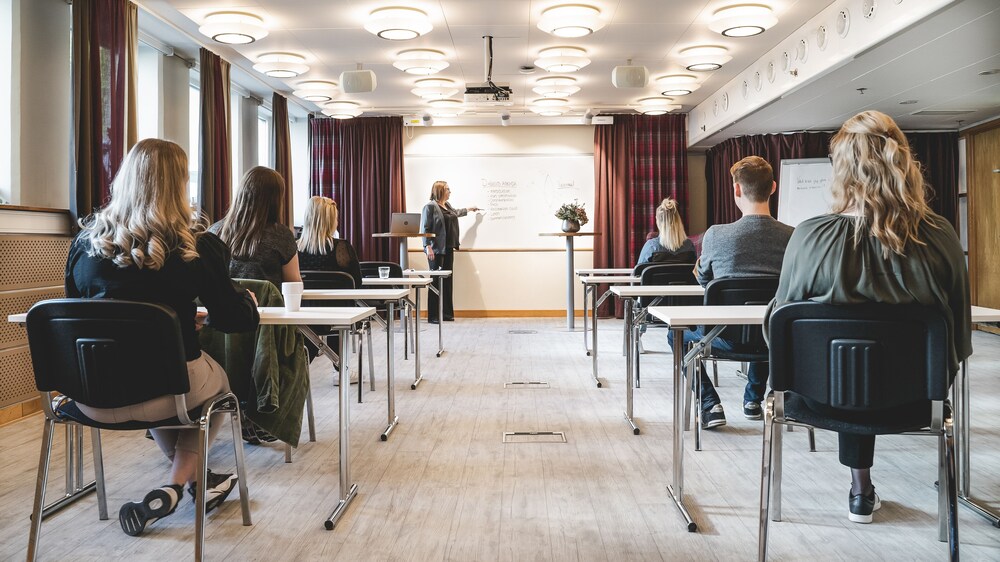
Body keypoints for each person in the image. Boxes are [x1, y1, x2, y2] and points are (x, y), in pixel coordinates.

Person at [768, 110, 971, 524]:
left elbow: (779, 330)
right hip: (916, 399)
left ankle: (861, 487)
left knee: (843, 363)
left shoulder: (808, 236)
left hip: (817, 396)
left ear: (840, 169)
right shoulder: (940, 234)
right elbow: (959, 337)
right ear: (904, 162)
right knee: (866, 365)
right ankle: (876, 491)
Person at [65, 139, 260, 536]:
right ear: (179, 185)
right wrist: (247, 301)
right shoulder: (197, 246)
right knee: (216, 387)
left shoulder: (83, 245)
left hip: (91, 398)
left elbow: (78, 316)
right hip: (163, 391)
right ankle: (176, 486)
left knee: (162, 374)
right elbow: (235, 320)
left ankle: (199, 482)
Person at [673, 156, 793, 429]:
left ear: (737, 189)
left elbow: (703, 280)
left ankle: (709, 404)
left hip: (723, 336)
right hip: (773, 339)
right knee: (767, 315)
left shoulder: (717, 235)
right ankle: (753, 398)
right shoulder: (792, 236)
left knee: (675, 335)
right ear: (773, 187)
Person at [209, 166, 302, 290]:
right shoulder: (282, 235)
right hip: (270, 308)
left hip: (221, 308)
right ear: (276, 200)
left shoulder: (213, 232)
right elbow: (294, 285)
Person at [420, 180, 479, 323]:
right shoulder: (430, 207)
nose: (450, 191)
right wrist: (427, 247)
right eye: (447, 189)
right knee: (435, 282)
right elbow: (424, 229)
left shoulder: (447, 206)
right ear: (439, 191)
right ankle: (433, 316)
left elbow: (455, 213)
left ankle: (446, 314)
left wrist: (469, 209)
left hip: (448, 248)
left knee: (447, 282)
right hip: (436, 250)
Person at [297, 196, 362, 288]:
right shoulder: (342, 248)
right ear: (331, 222)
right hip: (339, 302)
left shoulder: (293, 249)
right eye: (336, 218)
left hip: (302, 302)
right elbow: (357, 283)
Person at [635, 198, 696, 266]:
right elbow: (696, 273)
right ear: (678, 221)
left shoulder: (651, 246)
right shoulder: (689, 246)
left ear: (658, 221)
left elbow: (638, 274)